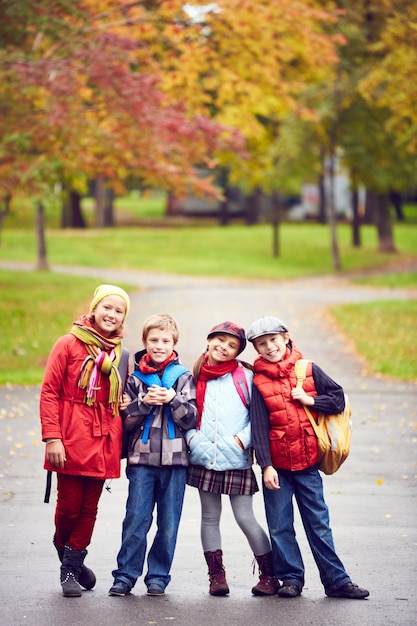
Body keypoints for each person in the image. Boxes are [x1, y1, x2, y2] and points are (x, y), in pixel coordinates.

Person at [247, 316, 369, 600]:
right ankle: (291, 579)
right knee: (280, 526)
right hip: (276, 469)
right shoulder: (259, 381)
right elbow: (259, 427)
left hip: (308, 465)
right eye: (262, 344)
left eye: (273, 340)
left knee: (318, 524)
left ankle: (336, 580)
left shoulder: (308, 370)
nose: (269, 347)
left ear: (286, 337)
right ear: (256, 349)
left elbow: (338, 399)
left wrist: (311, 400)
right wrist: (266, 466)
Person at [40, 284, 131, 597]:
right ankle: (67, 551)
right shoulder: (67, 344)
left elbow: (122, 397)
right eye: (107, 307)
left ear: (123, 319)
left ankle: (70, 566)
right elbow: (50, 391)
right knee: (68, 507)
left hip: (104, 437)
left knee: (89, 508)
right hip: (70, 435)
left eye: (119, 311)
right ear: (94, 308)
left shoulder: (120, 354)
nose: (112, 314)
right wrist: (52, 437)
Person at [186, 321, 278, 597]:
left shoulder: (245, 377)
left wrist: (242, 440)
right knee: (209, 517)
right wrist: (192, 439)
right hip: (204, 457)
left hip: (236, 457)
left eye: (231, 345)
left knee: (245, 517)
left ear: (238, 352)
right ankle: (216, 576)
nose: (223, 348)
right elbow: (186, 411)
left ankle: (269, 574)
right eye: (220, 341)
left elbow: (258, 416)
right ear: (209, 339)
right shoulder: (195, 374)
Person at [109, 313, 197, 597]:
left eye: (165, 341)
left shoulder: (184, 378)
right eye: (153, 340)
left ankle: (158, 576)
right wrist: (143, 403)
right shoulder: (135, 379)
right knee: (136, 518)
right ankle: (125, 575)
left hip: (176, 463)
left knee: (169, 522)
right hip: (141, 461)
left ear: (174, 343)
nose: (159, 345)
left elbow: (192, 418)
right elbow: (125, 421)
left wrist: (173, 400)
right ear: (144, 342)